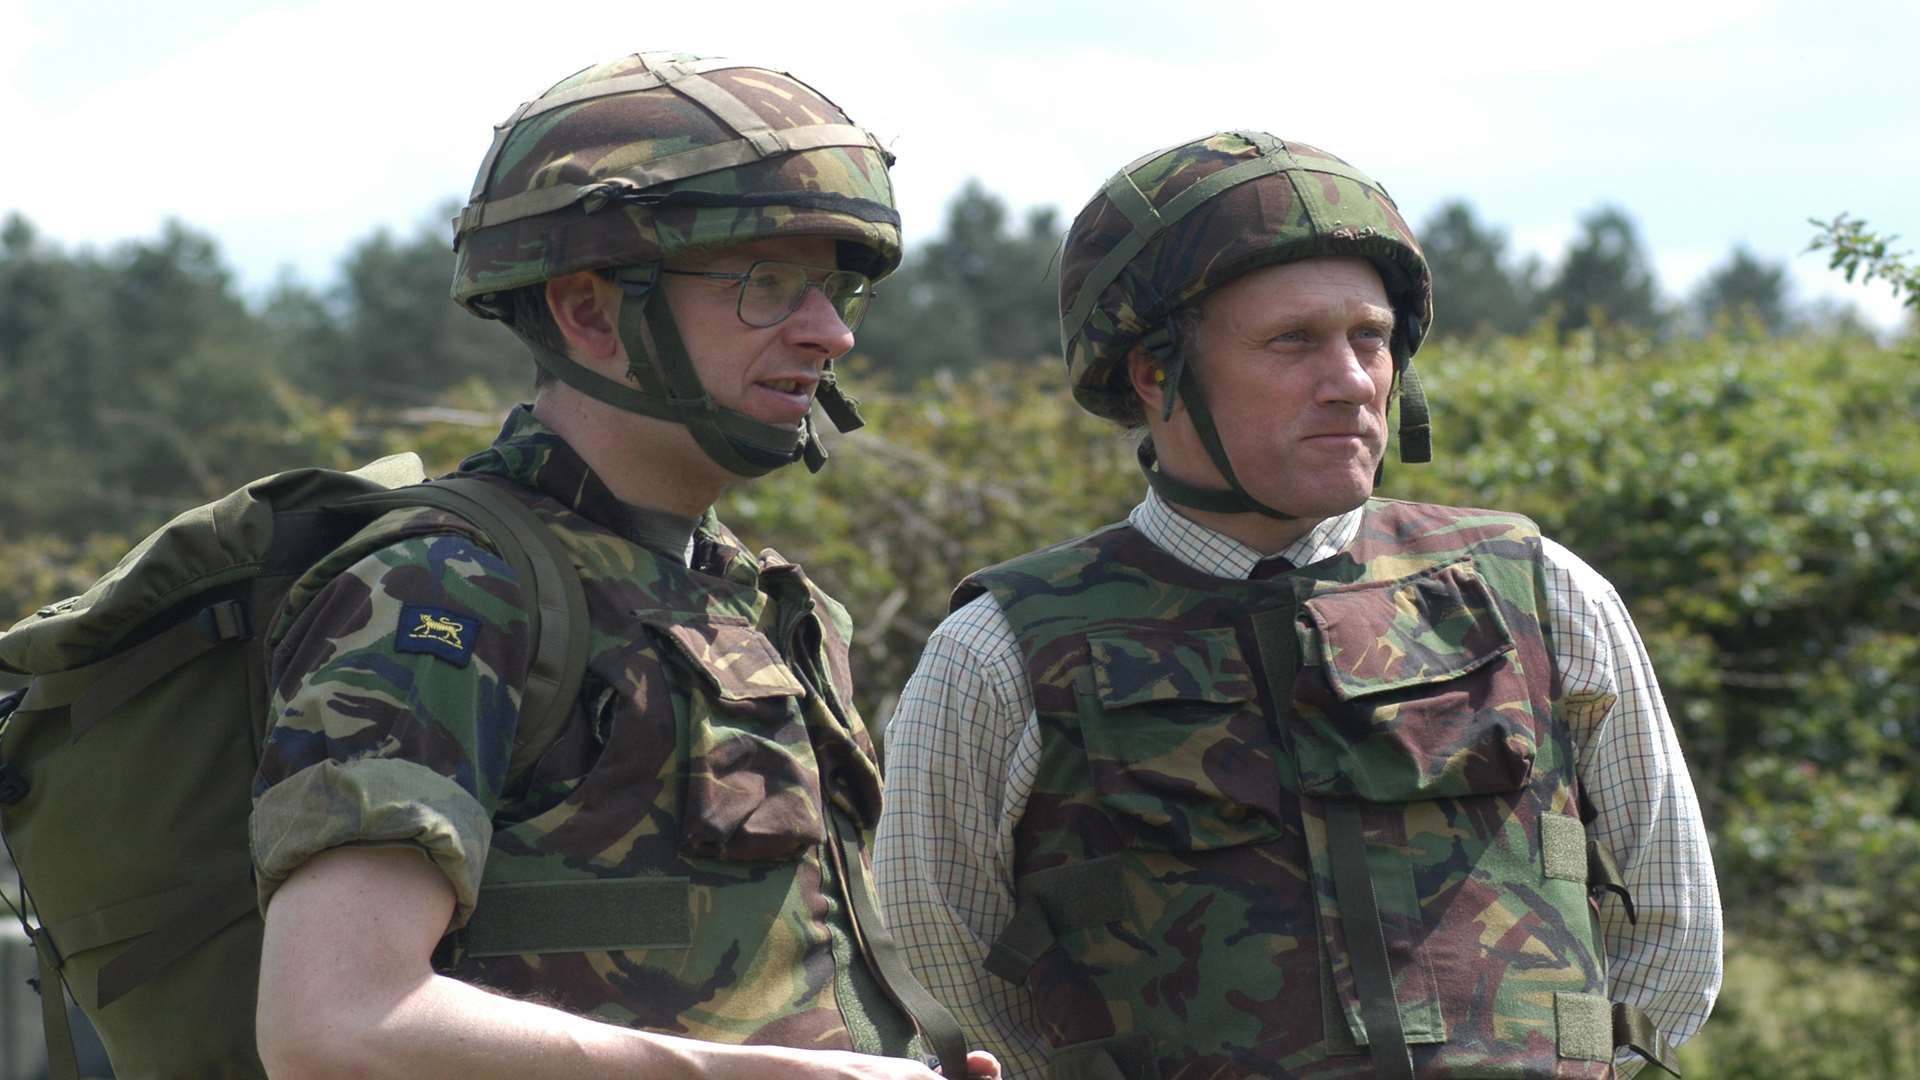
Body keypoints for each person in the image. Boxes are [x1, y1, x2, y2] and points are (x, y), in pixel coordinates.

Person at [875, 132, 1721, 1079]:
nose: (1353, 383)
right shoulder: (1004, 648)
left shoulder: (1539, 589)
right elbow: (946, 954)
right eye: (1294, 343)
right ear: (1155, 375)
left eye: (1371, 337)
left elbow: (1670, 924)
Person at [249, 51, 996, 1080]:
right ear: (590, 311)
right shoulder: (445, 587)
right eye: (768, 284)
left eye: (840, 288)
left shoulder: (762, 606)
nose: (829, 334)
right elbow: (335, 1024)